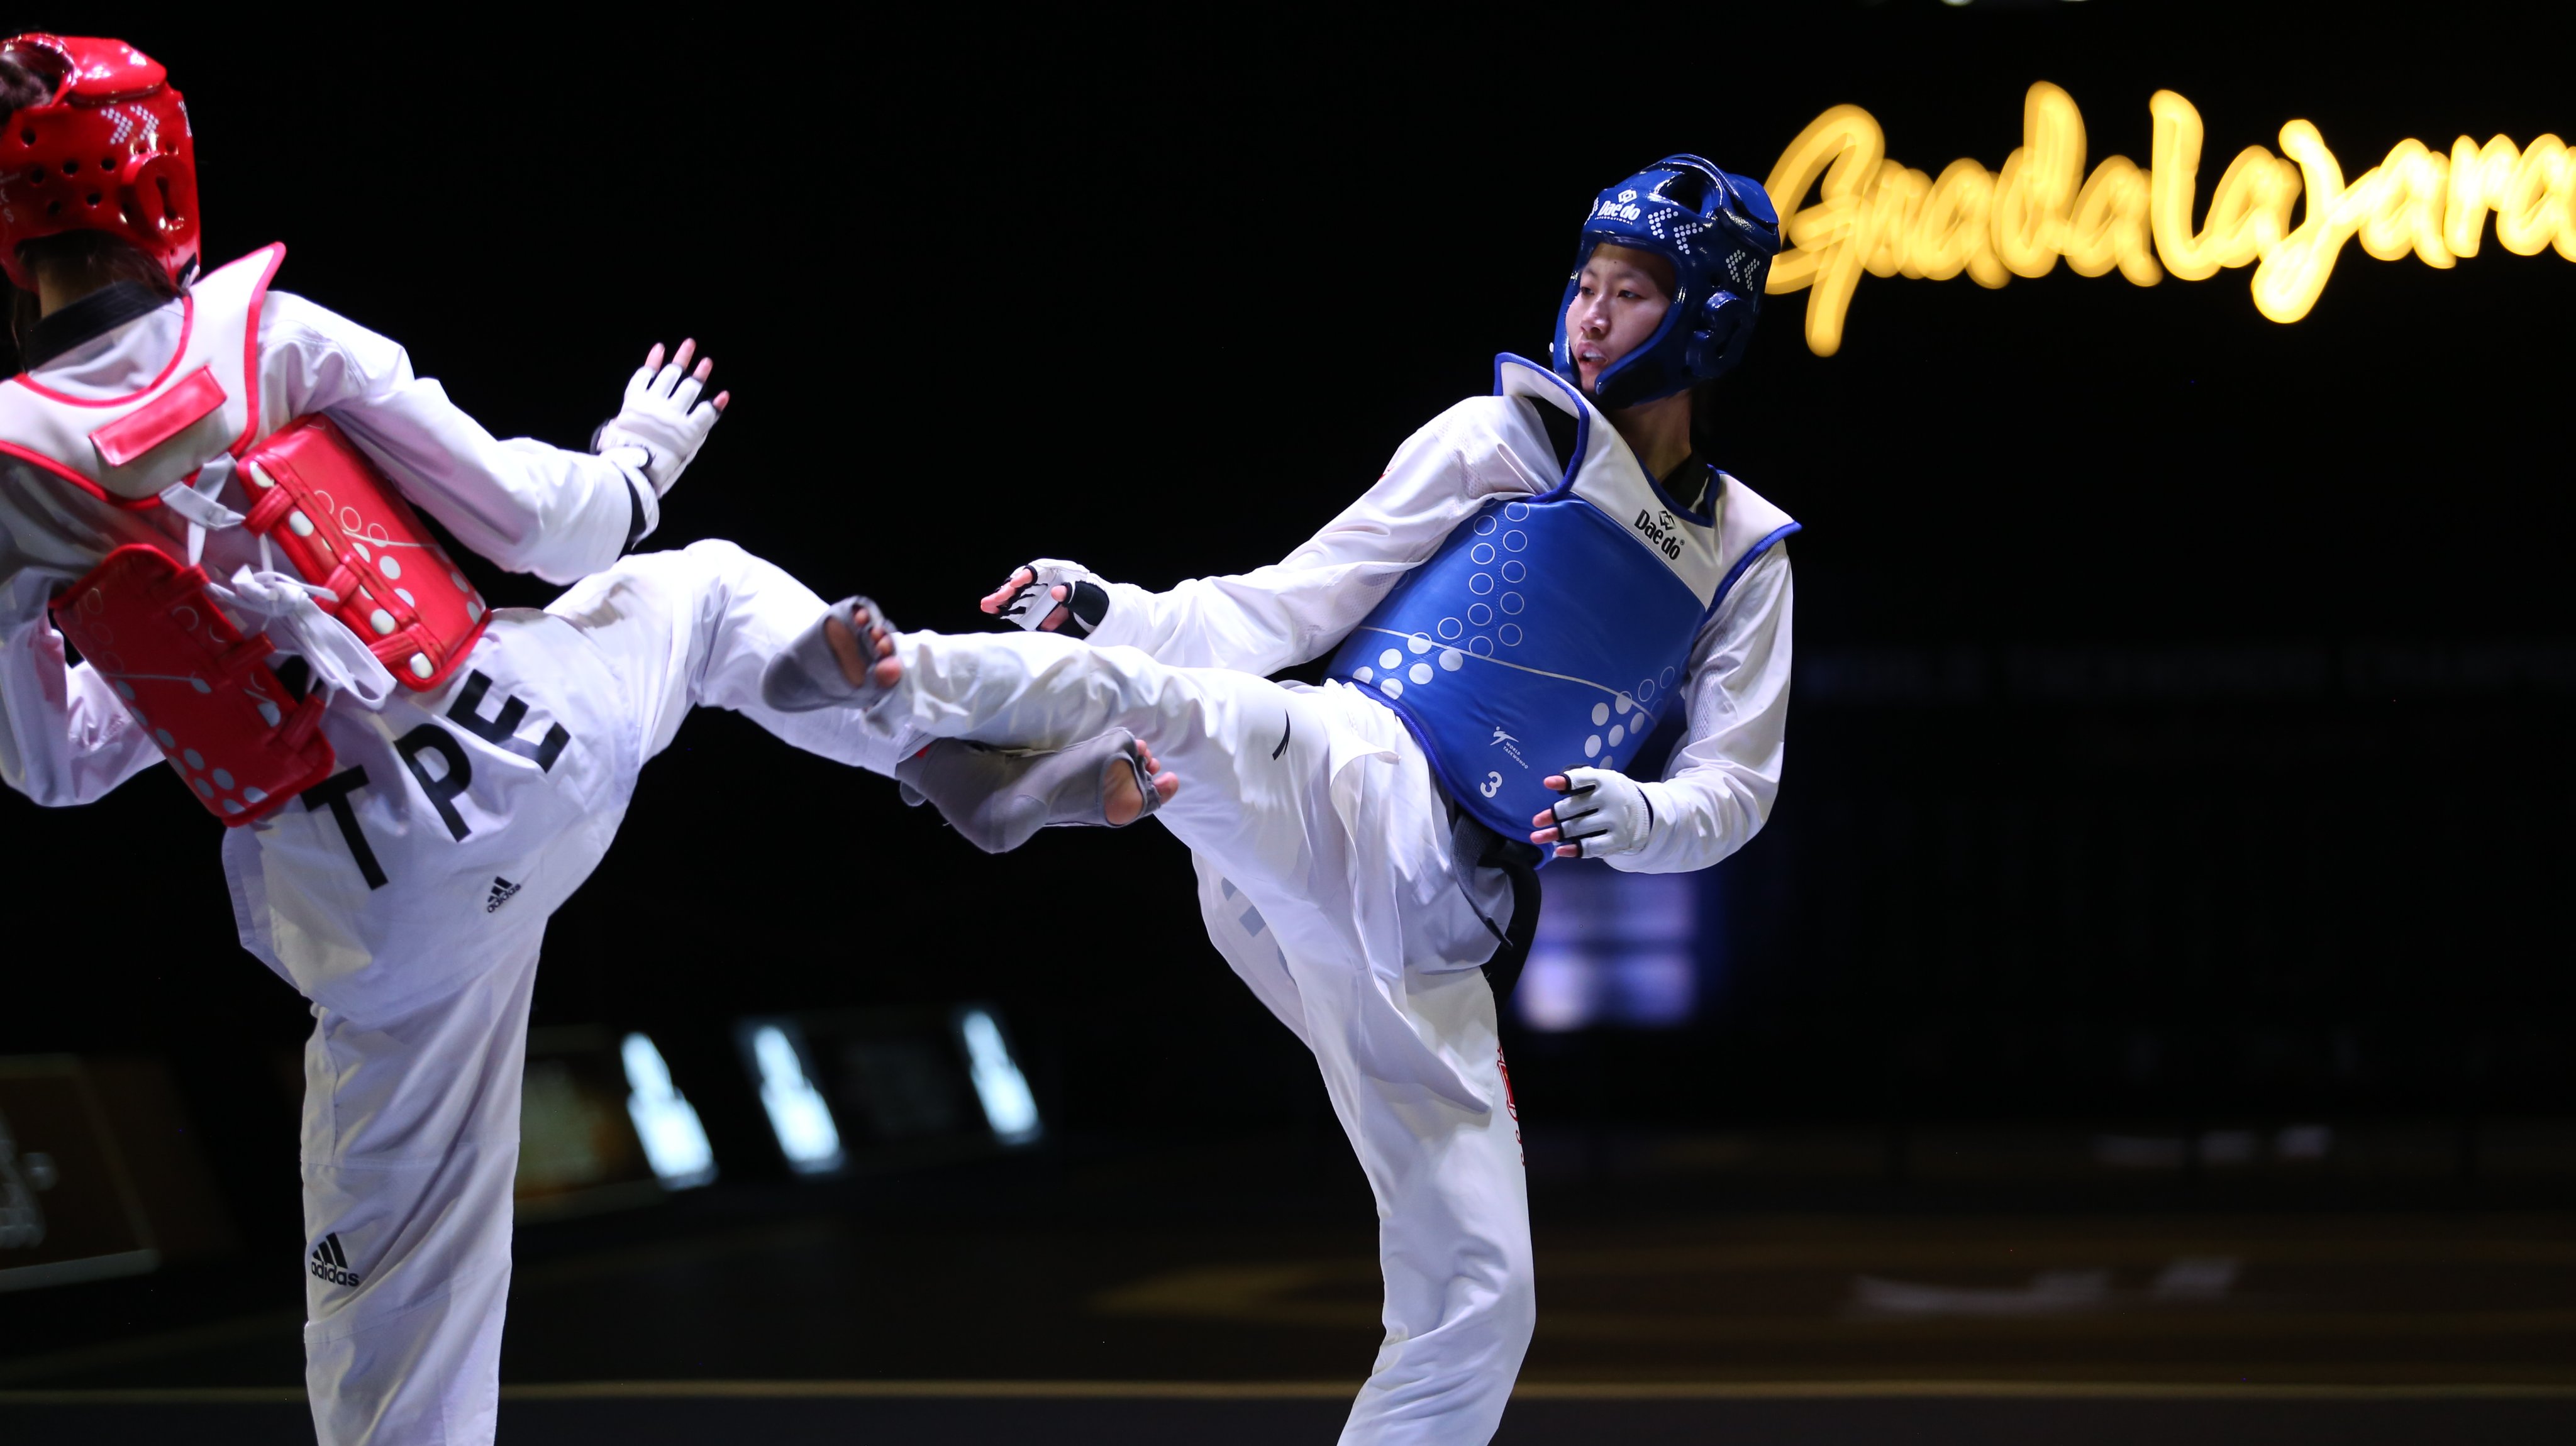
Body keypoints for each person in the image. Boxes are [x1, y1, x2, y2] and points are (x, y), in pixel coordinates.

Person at [0, 33, 1163, 1446]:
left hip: (373, 905)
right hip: (527, 741)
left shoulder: (12, 471)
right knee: (710, 592)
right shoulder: (274, 335)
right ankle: (934, 751)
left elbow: (51, 767)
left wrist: (187, 651)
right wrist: (634, 460)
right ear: (164, 178)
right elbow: (542, 530)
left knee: (397, 1343)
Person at [769, 154, 1799, 1444]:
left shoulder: (1745, 555)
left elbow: (1733, 788)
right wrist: (1108, 604)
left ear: (1703, 316)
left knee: (1482, 1293)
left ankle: (1032, 775)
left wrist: (1642, 818)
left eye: (1629, 294)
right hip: (1348, 772)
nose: (1588, 316)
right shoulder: (1498, 437)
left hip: (1438, 931)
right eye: (1582, 285)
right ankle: (898, 687)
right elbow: (1276, 605)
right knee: (1185, 706)